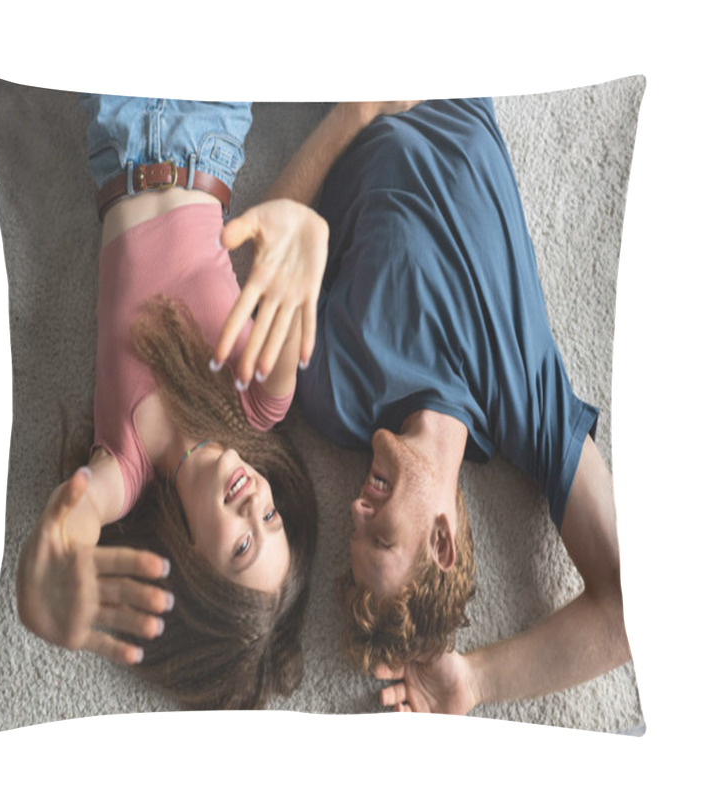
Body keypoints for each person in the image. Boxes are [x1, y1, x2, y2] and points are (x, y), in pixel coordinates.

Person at [216, 99, 631, 714]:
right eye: (379, 537)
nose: (356, 508)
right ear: (443, 540)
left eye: (352, 528)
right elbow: (631, 608)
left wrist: (358, 109)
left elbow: (265, 251)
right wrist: (477, 681)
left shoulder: (334, 400)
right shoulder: (525, 408)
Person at [16, 95, 328, 710]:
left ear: (193, 571)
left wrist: (42, 582)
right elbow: (293, 298)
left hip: (119, 136)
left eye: (241, 547)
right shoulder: (258, 407)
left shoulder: (125, 466)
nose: (255, 506)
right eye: (272, 521)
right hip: (209, 127)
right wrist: (306, 238)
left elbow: (73, 515)